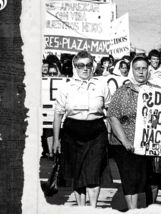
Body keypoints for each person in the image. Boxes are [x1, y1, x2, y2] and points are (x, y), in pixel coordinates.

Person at [52, 50, 111, 208]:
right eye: (80, 65)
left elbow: (110, 111)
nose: (85, 69)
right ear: (74, 67)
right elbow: (58, 115)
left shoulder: (102, 85)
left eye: (88, 65)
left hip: (96, 132)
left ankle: (93, 208)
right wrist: (56, 140)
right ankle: (81, 209)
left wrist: (111, 133)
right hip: (72, 132)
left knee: (93, 173)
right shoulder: (65, 88)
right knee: (77, 174)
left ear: (93, 66)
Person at [108, 56, 152, 209]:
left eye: (144, 68)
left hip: (149, 146)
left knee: (149, 181)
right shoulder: (122, 91)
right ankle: (132, 210)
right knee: (130, 180)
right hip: (126, 145)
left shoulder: (156, 92)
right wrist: (125, 141)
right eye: (137, 68)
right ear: (132, 71)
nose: (141, 72)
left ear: (148, 70)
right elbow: (113, 117)